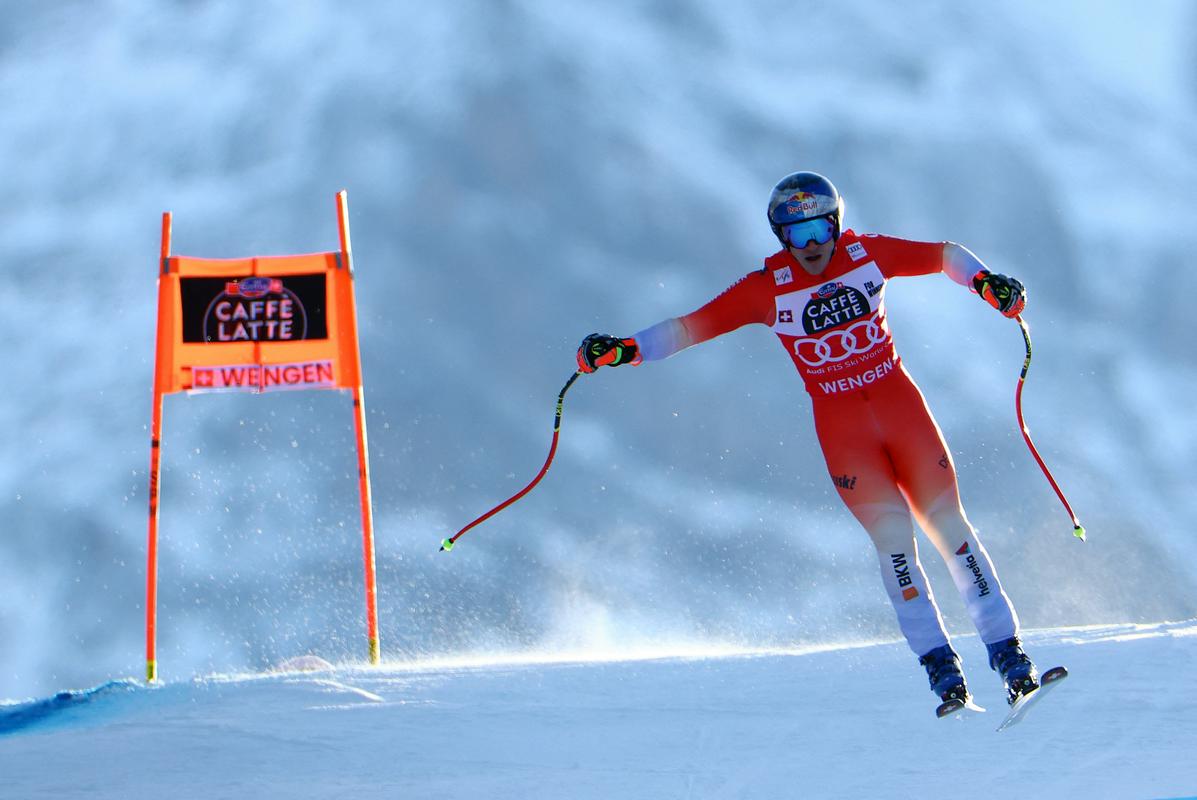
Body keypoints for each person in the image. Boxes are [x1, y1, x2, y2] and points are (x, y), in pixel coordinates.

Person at [576, 171, 1038, 712]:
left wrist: (986, 283)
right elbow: (690, 327)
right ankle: (941, 669)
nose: (812, 245)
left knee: (951, 529)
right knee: (895, 547)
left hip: (903, 414)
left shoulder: (867, 254)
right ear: (780, 237)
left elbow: (943, 256)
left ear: (837, 224)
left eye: (820, 229)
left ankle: (1010, 657)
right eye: (797, 234)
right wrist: (625, 350)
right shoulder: (767, 288)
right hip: (846, 435)